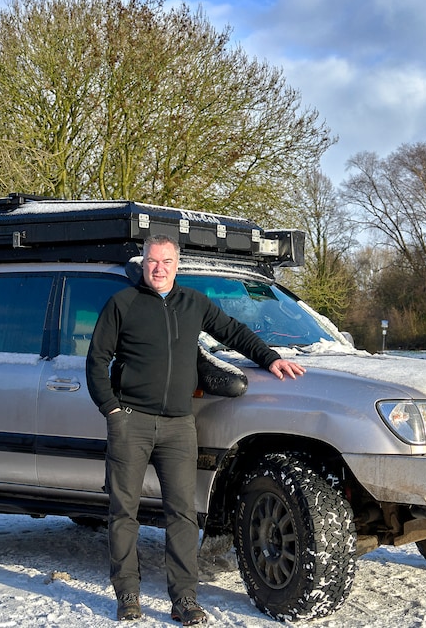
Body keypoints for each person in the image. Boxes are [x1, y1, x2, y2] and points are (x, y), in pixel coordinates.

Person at [86, 234, 305, 625]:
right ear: (144, 263)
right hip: (130, 422)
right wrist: (113, 411)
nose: (159, 268)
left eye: (167, 262)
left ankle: (184, 598)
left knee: (183, 515)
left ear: (177, 264)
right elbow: (96, 359)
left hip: (178, 426)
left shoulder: (193, 303)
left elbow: (233, 331)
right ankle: (128, 594)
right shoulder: (123, 303)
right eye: (153, 261)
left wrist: (270, 358)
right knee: (124, 512)